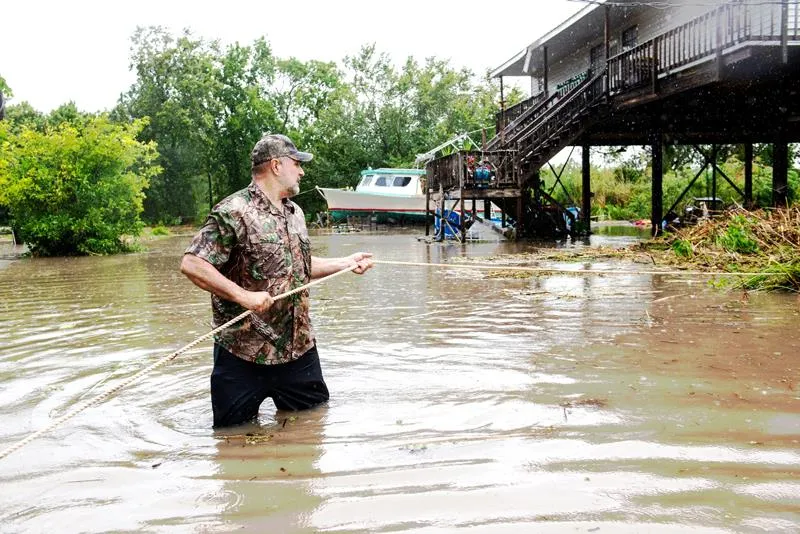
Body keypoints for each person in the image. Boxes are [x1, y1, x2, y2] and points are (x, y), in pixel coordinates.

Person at [181, 133, 373, 427]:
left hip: (298, 349)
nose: (302, 171)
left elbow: (299, 266)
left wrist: (345, 263)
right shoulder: (233, 211)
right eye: (297, 163)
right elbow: (193, 263)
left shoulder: (295, 213)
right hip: (241, 353)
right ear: (276, 165)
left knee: (311, 427)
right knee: (232, 440)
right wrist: (242, 296)